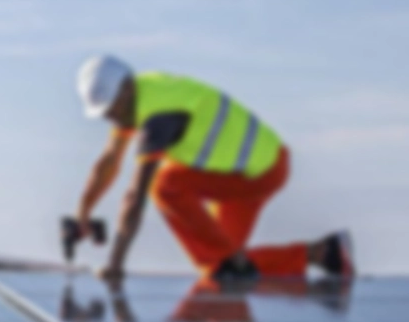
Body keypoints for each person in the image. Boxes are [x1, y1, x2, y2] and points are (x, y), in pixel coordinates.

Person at [71, 54, 353, 283]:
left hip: (259, 173)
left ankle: (235, 265)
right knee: (221, 266)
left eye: (113, 109)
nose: (112, 118)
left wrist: (115, 265)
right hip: (247, 170)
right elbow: (110, 160)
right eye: (105, 114)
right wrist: (82, 214)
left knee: (165, 185)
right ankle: (324, 253)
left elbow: (135, 197)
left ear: (127, 88)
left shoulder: (158, 116)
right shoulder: (136, 98)